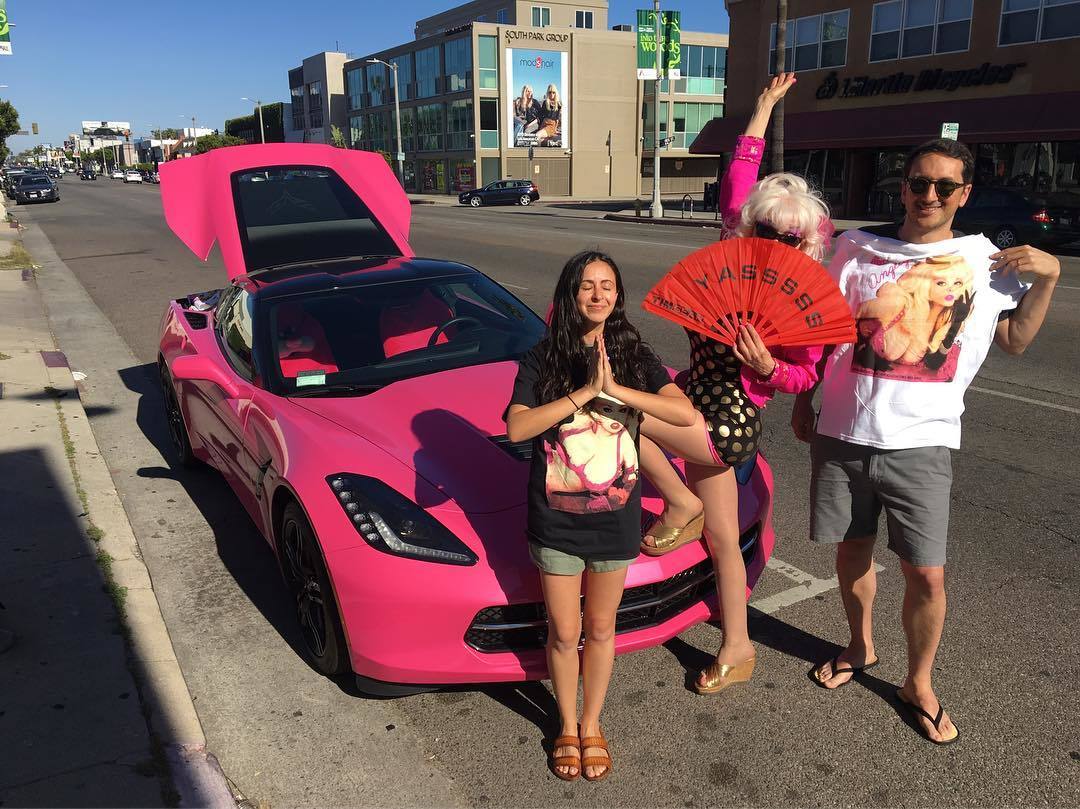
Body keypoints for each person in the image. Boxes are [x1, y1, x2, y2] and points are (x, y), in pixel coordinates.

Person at [791, 137, 1061, 744]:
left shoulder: (984, 261)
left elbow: (1015, 340)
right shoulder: (855, 247)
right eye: (919, 183)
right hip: (842, 431)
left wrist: (1050, 277)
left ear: (964, 194)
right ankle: (859, 646)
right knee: (852, 552)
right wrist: (805, 398)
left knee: (927, 575)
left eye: (944, 186)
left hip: (923, 442)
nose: (929, 195)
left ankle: (919, 683)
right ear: (903, 186)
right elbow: (821, 330)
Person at [635, 74, 827, 696]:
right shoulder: (729, 255)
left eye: (790, 237)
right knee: (722, 537)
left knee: (612, 409)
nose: (776, 243)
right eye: (766, 230)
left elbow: (807, 374)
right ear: (751, 227)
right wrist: (763, 107)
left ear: (806, 241)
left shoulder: (803, 300)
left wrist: (768, 368)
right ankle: (739, 648)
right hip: (694, 395)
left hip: (731, 417)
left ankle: (680, 503)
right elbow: (740, 175)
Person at [505, 251, 696, 781]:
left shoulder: (632, 352)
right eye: (587, 285)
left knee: (602, 627)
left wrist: (616, 390)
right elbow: (517, 428)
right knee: (564, 632)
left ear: (618, 295)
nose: (598, 294)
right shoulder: (544, 356)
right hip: (556, 520)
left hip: (615, 519)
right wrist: (584, 393)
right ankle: (566, 726)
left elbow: (683, 413)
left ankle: (592, 724)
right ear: (570, 294)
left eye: (607, 285)